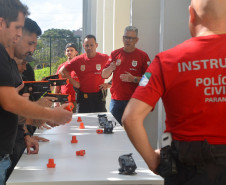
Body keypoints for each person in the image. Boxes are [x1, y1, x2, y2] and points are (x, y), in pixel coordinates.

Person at [122, 0, 226, 185]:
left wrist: (152, 160)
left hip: (187, 168)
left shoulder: (165, 61)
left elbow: (130, 118)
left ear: (191, 14)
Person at [0, 1, 72, 184]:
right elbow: (10, 103)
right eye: (17, 27)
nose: (32, 50)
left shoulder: (8, 62)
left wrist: (25, 135)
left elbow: (10, 110)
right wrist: (51, 114)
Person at [102, 26, 150, 125]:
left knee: (133, 133)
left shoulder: (143, 56)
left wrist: (134, 79)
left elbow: (149, 79)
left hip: (134, 101)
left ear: (136, 40)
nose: (128, 40)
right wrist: (110, 68)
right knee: (114, 131)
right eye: (126, 37)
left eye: (131, 38)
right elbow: (103, 75)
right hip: (116, 101)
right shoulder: (115, 54)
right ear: (123, 38)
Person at [59, 35, 109, 113]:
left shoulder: (104, 58)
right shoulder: (77, 60)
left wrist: (110, 83)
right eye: (87, 45)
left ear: (96, 45)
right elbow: (62, 71)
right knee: (82, 122)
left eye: (91, 45)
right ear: (83, 46)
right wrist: (74, 83)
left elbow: (118, 69)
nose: (89, 48)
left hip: (99, 97)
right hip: (83, 98)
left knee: (100, 121)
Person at [55, 43, 79, 113]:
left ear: (76, 52)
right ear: (65, 53)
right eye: (68, 50)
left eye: (72, 50)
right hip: (64, 100)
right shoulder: (61, 67)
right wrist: (56, 101)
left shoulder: (79, 66)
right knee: (65, 122)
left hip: (76, 100)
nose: (69, 52)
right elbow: (57, 84)